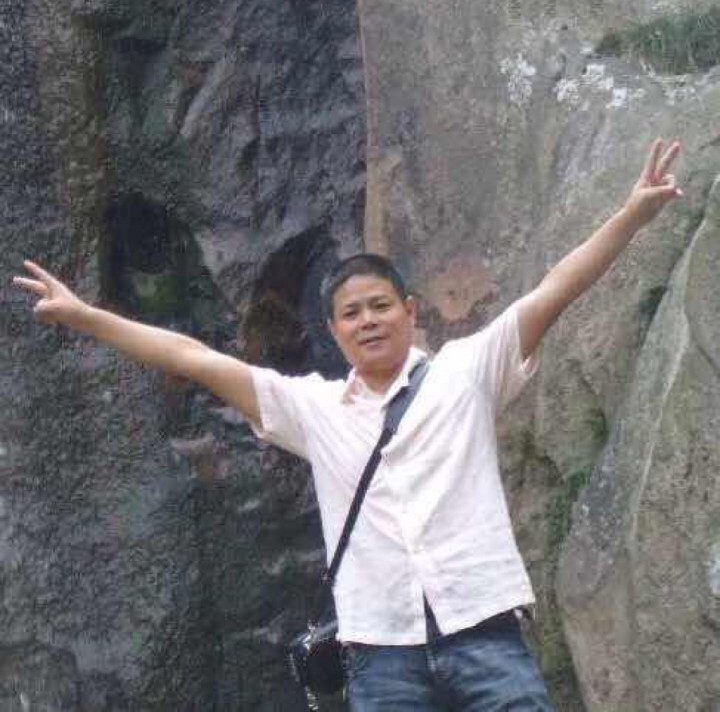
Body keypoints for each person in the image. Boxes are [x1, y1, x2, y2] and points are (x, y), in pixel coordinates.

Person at [13, 139, 683, 710]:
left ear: (409, 311)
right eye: (352, 313)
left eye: (379, 306)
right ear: (333, 331)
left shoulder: (466, 371)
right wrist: (85, 316)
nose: (367, 321)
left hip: (483, 627)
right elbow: (193, 358)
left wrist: (632, 213)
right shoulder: (313, 409)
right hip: (381, 649)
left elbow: (556, 289)